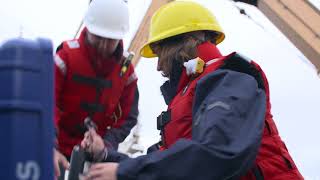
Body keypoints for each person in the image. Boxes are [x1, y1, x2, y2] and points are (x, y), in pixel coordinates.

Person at [80, 1, 303, 179]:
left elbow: (218, 152)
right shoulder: (190, 98)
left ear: (183, 43)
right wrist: (105, 154)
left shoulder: (230, 78)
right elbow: (166, 161)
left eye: (159, 54)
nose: (158, 66)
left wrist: (123, 174)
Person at [53, 0, 139, 178]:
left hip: (95, 157)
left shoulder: (126, 72)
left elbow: (126, 118)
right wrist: (49, 146)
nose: (103, 45)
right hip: (56, 152)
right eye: (99, 37)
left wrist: (106, 145)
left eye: (110, 40)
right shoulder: (65, 58)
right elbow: (47, 105)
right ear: (89, 28)